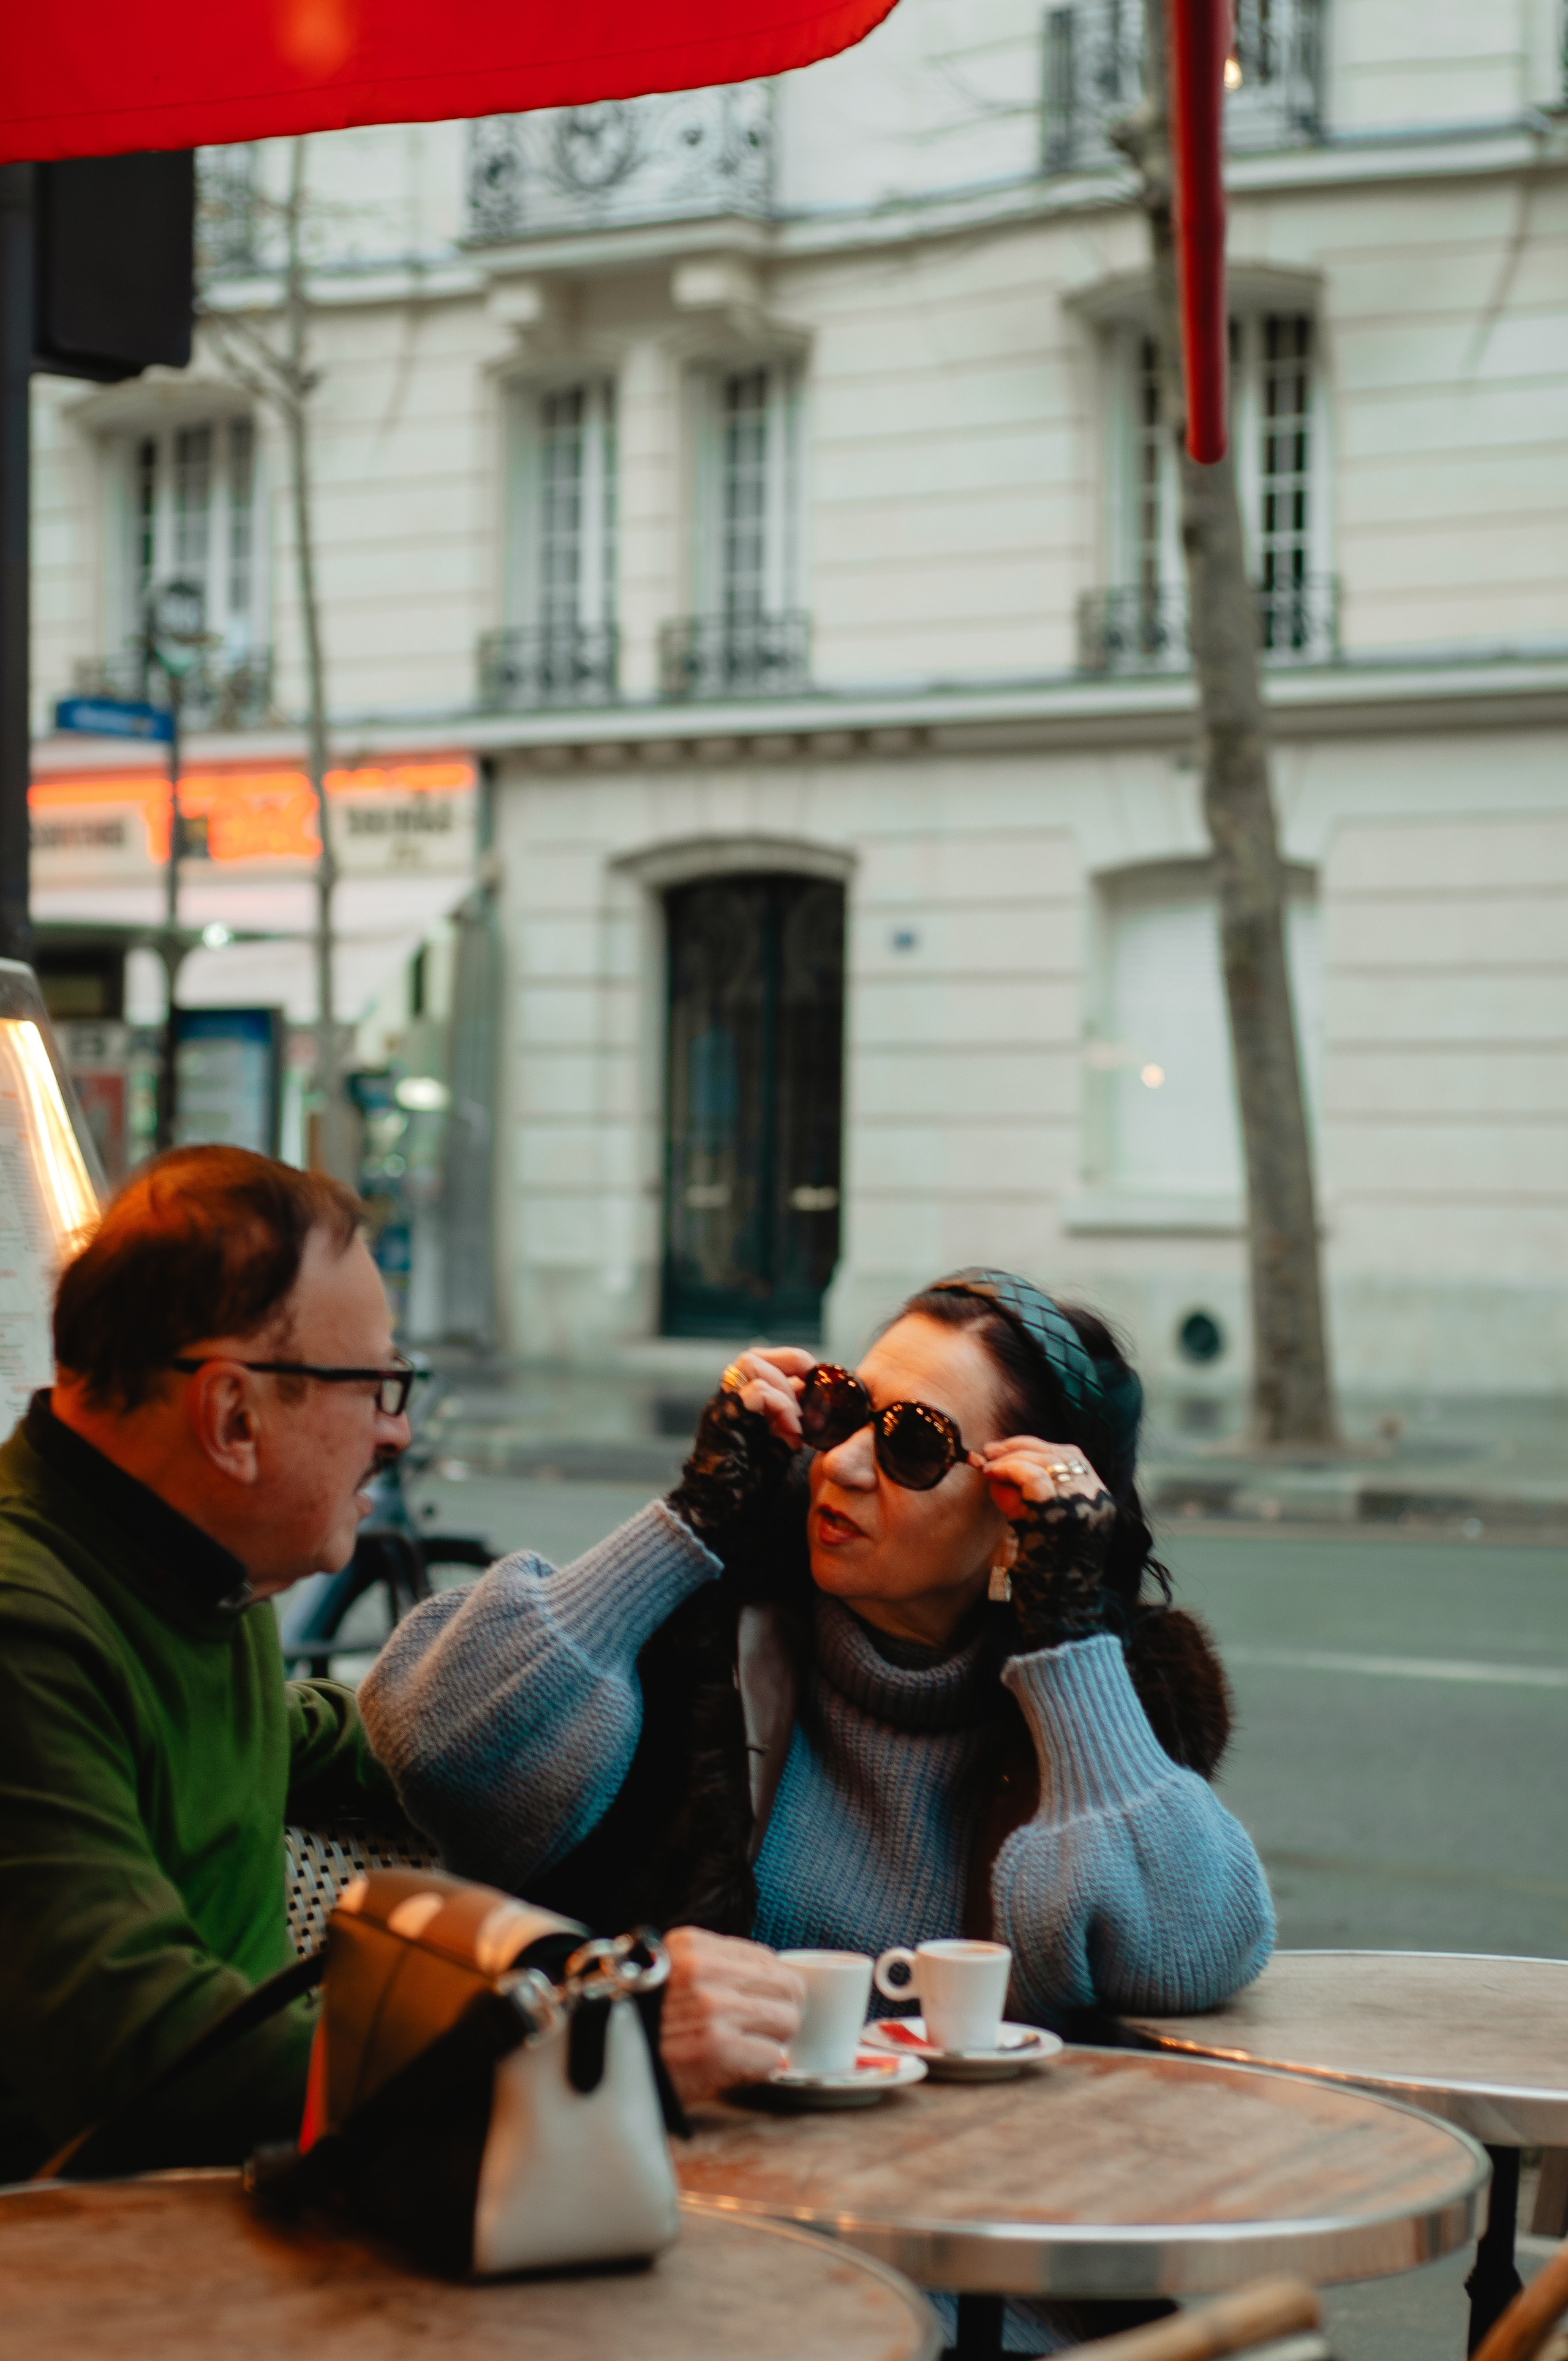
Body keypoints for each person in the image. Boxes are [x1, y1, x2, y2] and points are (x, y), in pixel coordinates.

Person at [0, 1145, 799, 2185]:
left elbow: (293, 1731)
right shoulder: (27, 1632)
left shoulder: (183, 1560)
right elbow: (145, 2060)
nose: (399, 1431)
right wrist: (593, 2043)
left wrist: (535, 1743)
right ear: (234, 1417)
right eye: (377, 1385)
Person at [361, 1269, 1274, 2024]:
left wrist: (1066, 1634)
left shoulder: (1102, 1708)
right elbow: (437, 1748)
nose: (839, 1464)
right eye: (845, 1409)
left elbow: (1190, 1955)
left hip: (978, 2169)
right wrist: (691, 1519)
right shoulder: (704, 1630)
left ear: (1018, 1520)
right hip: (695, 2157)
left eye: (912, 1444)